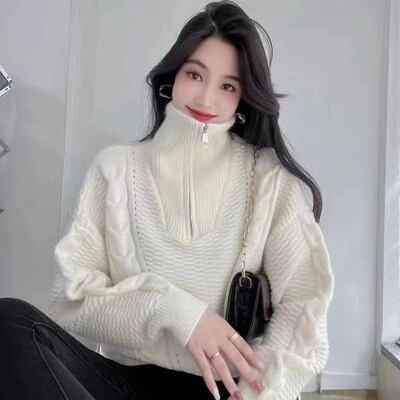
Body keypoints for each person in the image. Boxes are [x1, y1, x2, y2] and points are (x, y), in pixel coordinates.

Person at [0, 1, 334, 399]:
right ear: (173, 75)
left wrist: (257, 393)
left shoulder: (270, 183)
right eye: (195, 74)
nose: (206, 98)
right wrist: (177, 312)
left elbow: (303, 309)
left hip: (226, 391)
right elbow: (71, 299)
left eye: (227, 86)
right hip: (123, 384)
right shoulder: (116, 169)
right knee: (11, 322)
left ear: (243, 98)